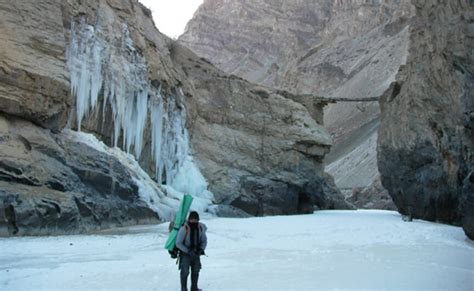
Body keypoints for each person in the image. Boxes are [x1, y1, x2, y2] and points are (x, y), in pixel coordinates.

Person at [176, 211, 207, 291]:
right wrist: (187, 251)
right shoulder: (184, 228)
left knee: (196, 271)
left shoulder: (200, 228)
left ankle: (194, 288)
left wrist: (201, 249)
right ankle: (184, 289)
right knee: (185, 272)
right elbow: (178, 243)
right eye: (192, 219)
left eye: (195, 219)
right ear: (189, 219)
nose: (194, 221)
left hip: (196, 253)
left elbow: (204, 240)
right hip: (185, 254)